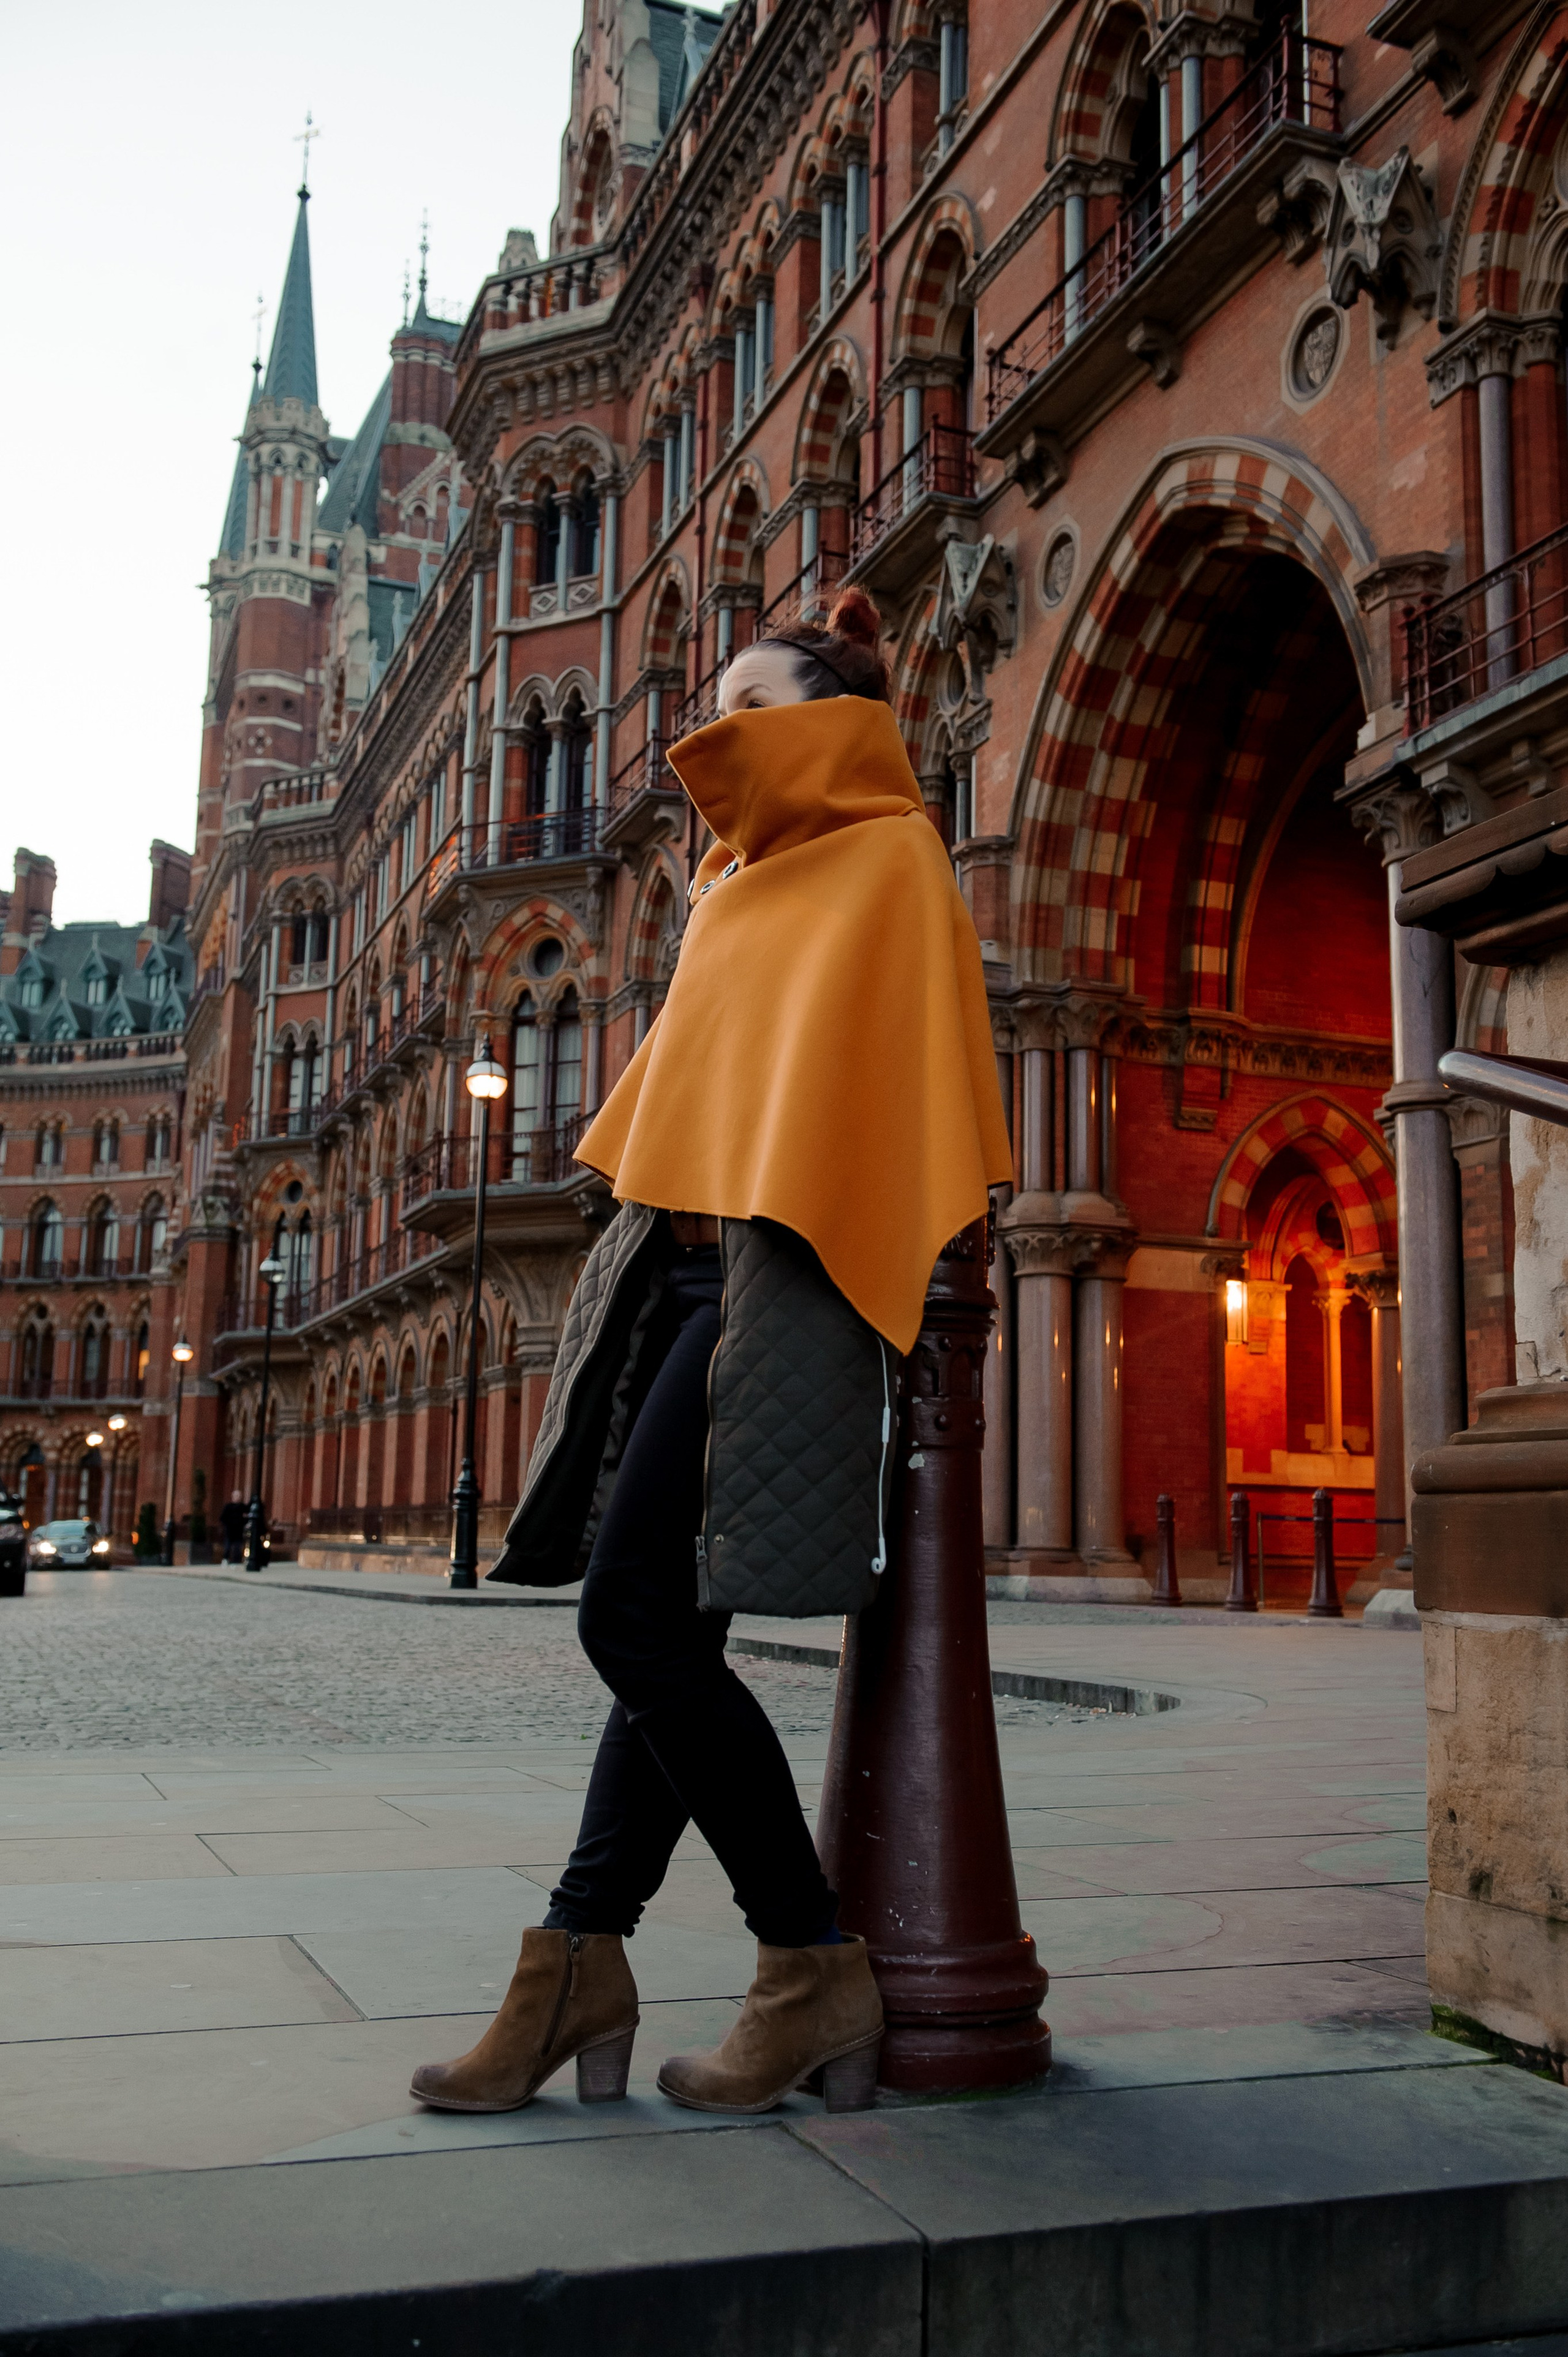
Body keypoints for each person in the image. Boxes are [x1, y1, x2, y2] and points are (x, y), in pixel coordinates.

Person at [410, 587, 1012, 2119]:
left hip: (785, 1281)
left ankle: (805, 1958)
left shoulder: (886, 857)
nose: (718, 731)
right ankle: (576, 1958)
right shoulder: (730, 877)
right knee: (657, 1633)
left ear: (827, 717)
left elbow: (898, 1077)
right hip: (676, 1275)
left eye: (754, 702)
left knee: (633, 1622)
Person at [219, 1492, 247, 1564]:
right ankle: (226, 1559)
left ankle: (237, 1561)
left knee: (238, 1548)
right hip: (230, 1530)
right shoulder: (228, 1507)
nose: (237, 1497)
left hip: (239, 1531)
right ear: (233, 1497)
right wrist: (227, 1525)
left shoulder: (243, 1507)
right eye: (236, 1496)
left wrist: (244, 1522)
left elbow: (247, 1518)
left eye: (239, 1496)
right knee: (228, 1547)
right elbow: (223, 1518)